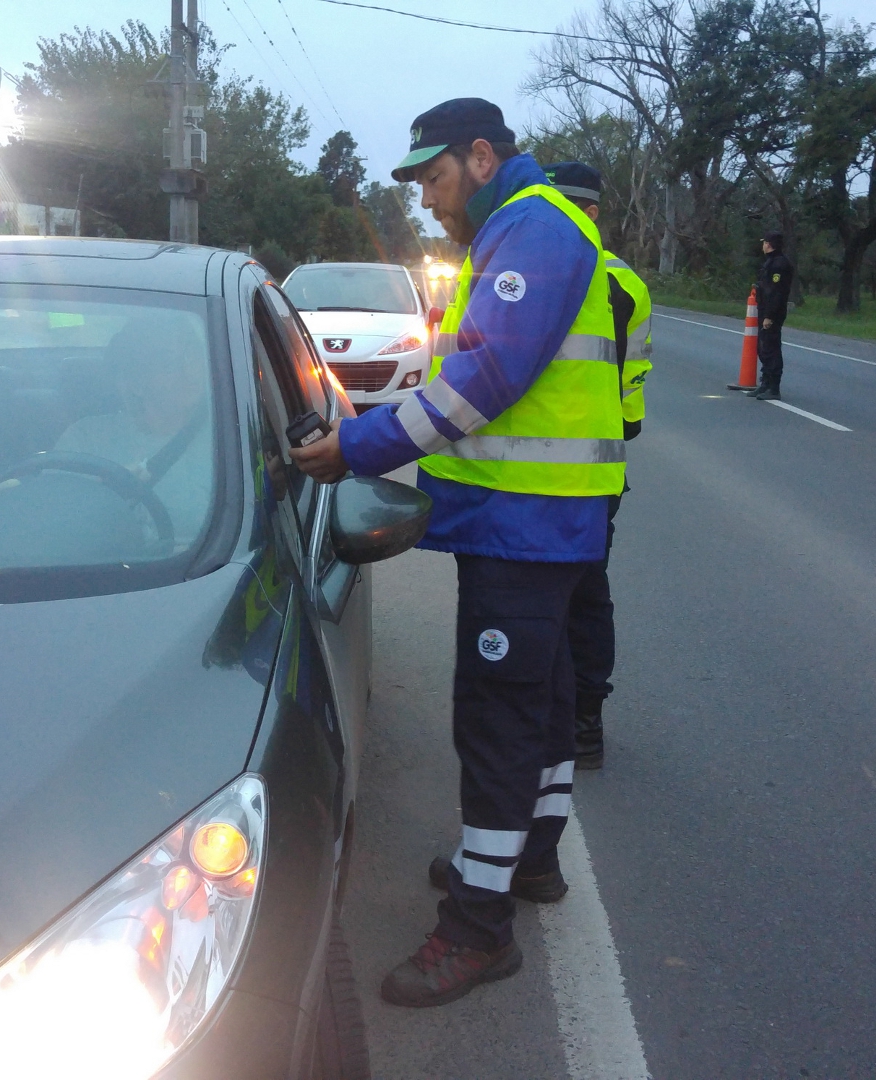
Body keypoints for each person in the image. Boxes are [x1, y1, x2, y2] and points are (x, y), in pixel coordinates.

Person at [291, 99, 624, 1008]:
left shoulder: (535, 229)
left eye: (434, 179)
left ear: (482, 158)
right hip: (542, 521)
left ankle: (479, 929)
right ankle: (529, 862)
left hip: (527, 525)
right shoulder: (518, 231)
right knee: (542, 704)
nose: (428, 201)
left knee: (498, 720)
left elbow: (481, 380)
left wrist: (358, 448)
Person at [543, 161, 650, 770]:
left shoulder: (518, 273)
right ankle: (584, 725)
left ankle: (546, 719)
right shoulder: (625, 283)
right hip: (595, 473)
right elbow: (632, 387)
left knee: (531, 595)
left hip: (520, 475)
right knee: (586, 594)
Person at [54, 314, 214, 547]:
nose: (190, 371)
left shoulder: (228, 437)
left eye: (192, 355)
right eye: (169, 363)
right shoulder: (84, 439)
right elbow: (53, 521)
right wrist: (103, 495)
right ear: (136, 381)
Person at [749, 231, 793, 401]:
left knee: (771, 349)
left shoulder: (779, 264)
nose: (762, 245)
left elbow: (777, 293)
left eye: (764, 242)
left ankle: (774, 388)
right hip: (764, 309)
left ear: (768, 244)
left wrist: (769, 316)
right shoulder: (771, 262)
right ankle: (765, 383)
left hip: (772, 312)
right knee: (763, 348)